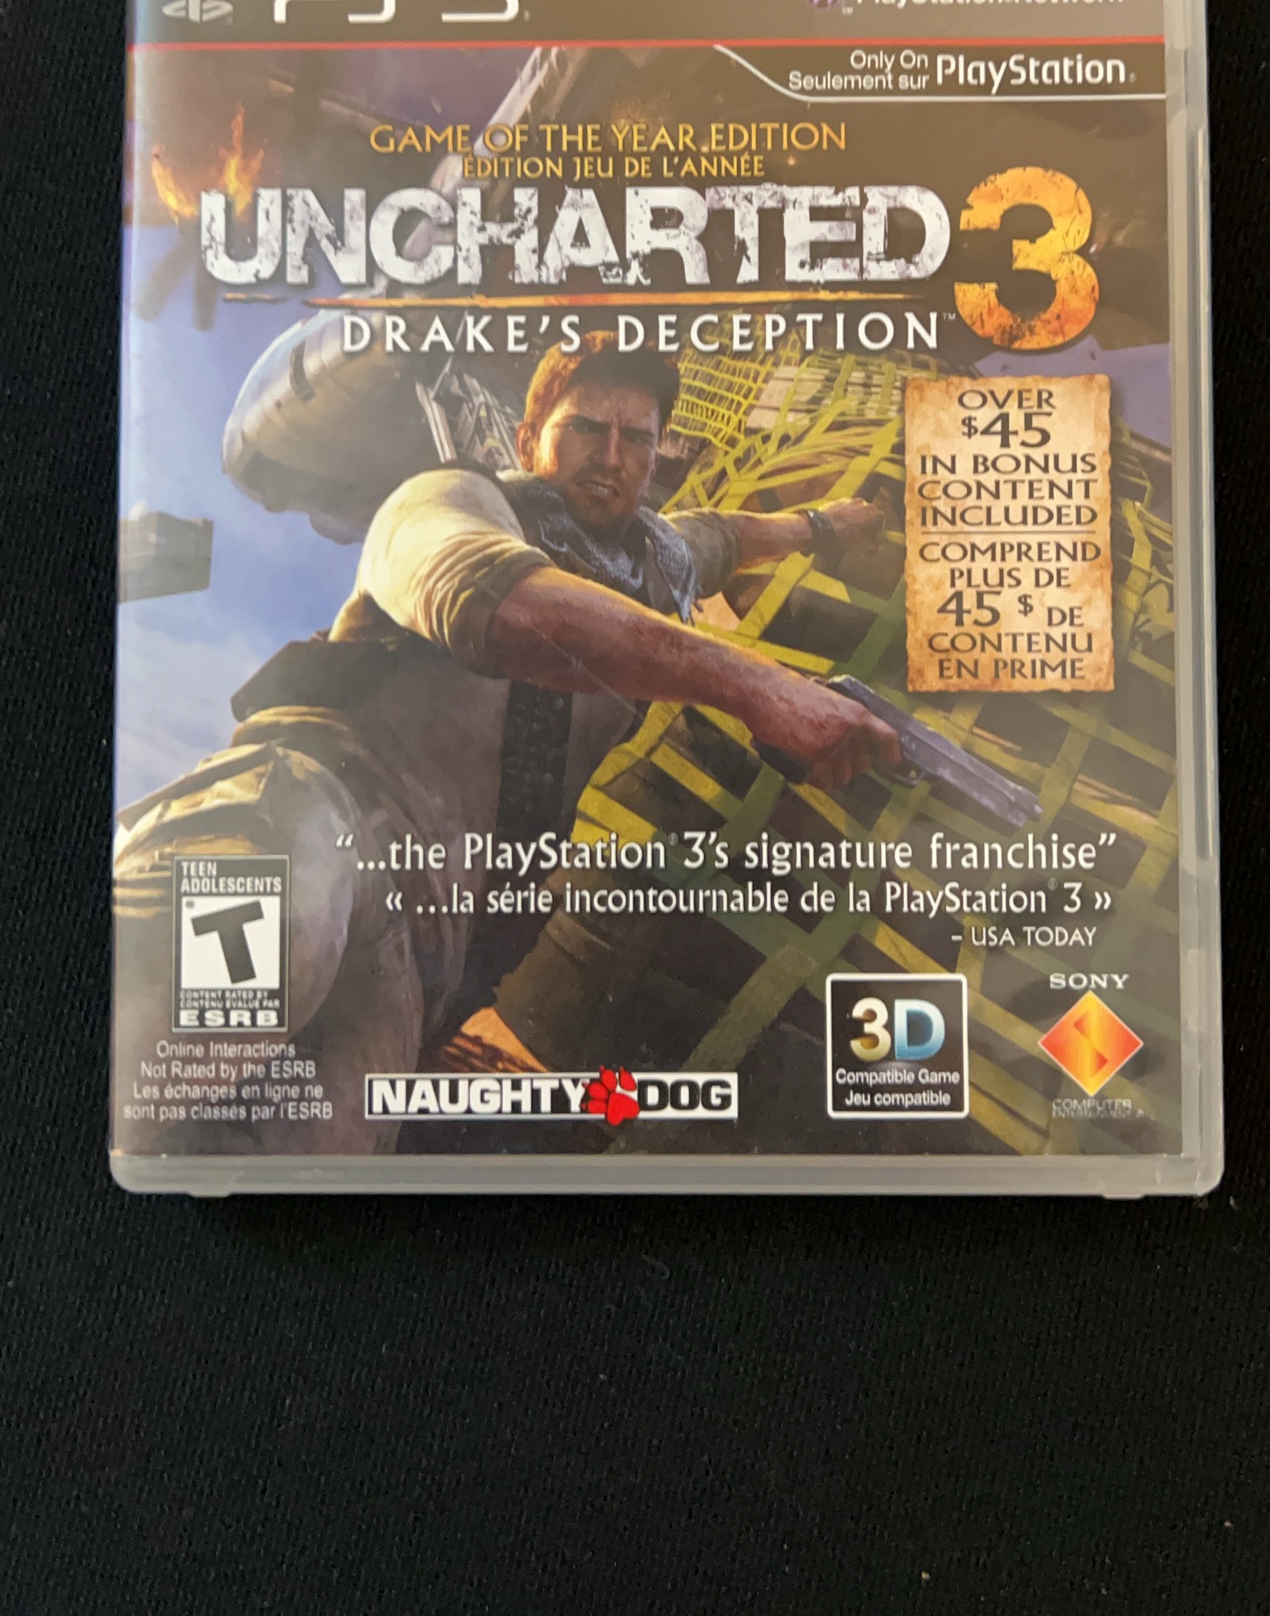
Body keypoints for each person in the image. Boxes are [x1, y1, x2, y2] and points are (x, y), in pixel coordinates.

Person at [113, 333, 899, 1151]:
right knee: (193, 1005)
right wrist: (759, 688)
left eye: (636, 438)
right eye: (584, 428)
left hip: (429, 945)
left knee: (306, 1153)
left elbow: (723, 535)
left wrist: (819, 526)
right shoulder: (449, 499)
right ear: (528, 440)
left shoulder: (656, 562)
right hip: (314, 814)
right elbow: (495, 603)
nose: (611, 455)